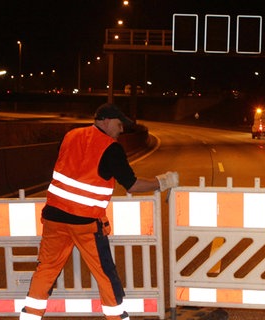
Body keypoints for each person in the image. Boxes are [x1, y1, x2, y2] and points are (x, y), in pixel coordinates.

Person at [19, 103, 179, 320]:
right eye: (119, 124)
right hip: (85, 223)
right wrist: (162, 182)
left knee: (46, 269)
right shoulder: (110, 148)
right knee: (105, 274)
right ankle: (117, 318)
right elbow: (132, 185)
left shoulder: (71, 136)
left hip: (53, 217)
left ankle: (29, 317)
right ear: (105, 120)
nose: (121, 130)